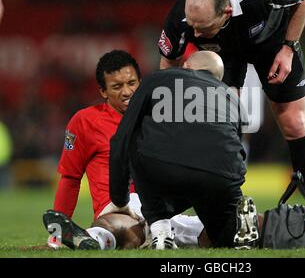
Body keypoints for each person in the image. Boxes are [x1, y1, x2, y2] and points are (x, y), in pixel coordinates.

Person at [158, 0, 305, 225]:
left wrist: (288, 47)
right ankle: (225, 216)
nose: (194, 34)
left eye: (202, 27)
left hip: (271, 43)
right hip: (224, 53)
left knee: (294, 123)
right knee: (222, 125)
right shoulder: (183, 16)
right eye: (192, 25)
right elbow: (168, 63)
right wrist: (173, 112)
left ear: (226, 12)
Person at [44, 50, 206, 250]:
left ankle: (248, 227)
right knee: (120, 230)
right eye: (117, 86)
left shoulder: (158, 116)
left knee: (215, 232)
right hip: (117, 209)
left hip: (160, 211)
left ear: (141, 82)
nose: (127, 92)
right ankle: (91, 239)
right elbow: (70, 179)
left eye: (131, 83)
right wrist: (56, 239)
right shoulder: (85, 121)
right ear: (103, 91)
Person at [109, 50, 259, 249]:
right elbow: (236, 150)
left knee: (138, 133)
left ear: (186, 66)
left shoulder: (157, 79)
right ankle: (236, 229)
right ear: (217, 78)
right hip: (220, 177)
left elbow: (122, 138)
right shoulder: (233, 98)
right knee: (220, 236)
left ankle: (160, 228)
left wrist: (119, 198)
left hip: (163, 171)